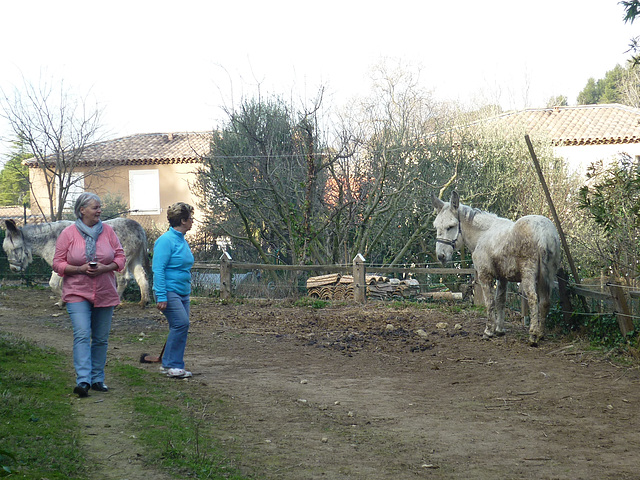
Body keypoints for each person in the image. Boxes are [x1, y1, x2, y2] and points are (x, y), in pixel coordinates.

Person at [53, 192, 125, 398]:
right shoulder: (68, 233)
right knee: (83, 334)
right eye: (95, 207)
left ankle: (97, 379)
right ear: (82, 210)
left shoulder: (109, 232)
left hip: (105, 291)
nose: (99, 211)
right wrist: (79, 269)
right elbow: (57, 263)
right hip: (76, 291)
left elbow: (120, 257)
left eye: (100, 207)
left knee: (101, 338)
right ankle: (83, 380)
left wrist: (106, 267)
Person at [152, 202, 195, 379]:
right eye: (190, 218)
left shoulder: (181, 240)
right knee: (181, 324)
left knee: (180, 326)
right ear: (183, 220)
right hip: (168, 291)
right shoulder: (165, 241)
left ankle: (168, 363)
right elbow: (158, 269)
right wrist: (161, 296)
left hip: (182, 292)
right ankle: (172, 365)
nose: (192, 221)